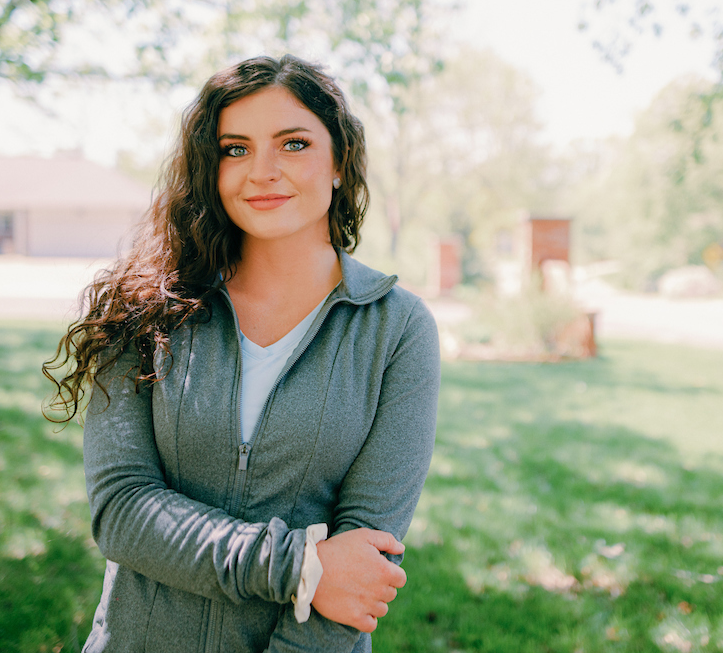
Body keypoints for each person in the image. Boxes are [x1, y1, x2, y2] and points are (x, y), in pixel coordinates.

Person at [44, 54, 441, 653]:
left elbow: (363, 562)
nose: (262, 171)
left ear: (339, 164)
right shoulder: (142, 309)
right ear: (212, 168)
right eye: (236, 149)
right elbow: (122, 511)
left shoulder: (397, 329)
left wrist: (326, 581)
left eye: (294, 144)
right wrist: (298, 568)